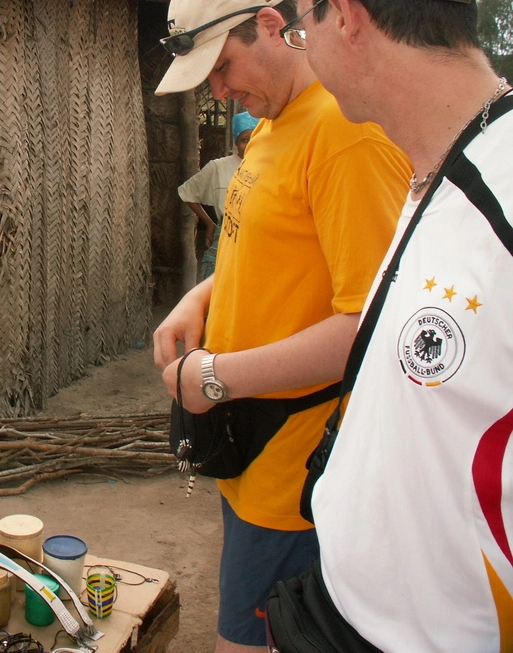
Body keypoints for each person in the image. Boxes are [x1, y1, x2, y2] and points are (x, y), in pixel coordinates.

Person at [152, 0, 411, 650]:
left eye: (223, 67)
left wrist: (213, 376)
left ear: (271, 24)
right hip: (251, 453)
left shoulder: (346, 134)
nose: (218, 90)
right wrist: (201, 299)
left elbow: (369, 326)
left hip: (296, 469)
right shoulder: (274, 123)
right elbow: (274, 246)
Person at [267, 1, 513, 650]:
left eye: (301, 29)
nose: (303, 51)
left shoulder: (503, 198)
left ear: (345, 15)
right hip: (343, 610)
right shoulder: (431, 168)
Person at [178, 111, 260, 279]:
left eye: (255, 139)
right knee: (219, 287)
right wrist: (209, 223)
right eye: (244, 140)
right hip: (226, 236)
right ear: (236, 142)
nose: (250, 144)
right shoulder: (219, 167)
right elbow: (187, 193)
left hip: (260, 239)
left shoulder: (272, 168)